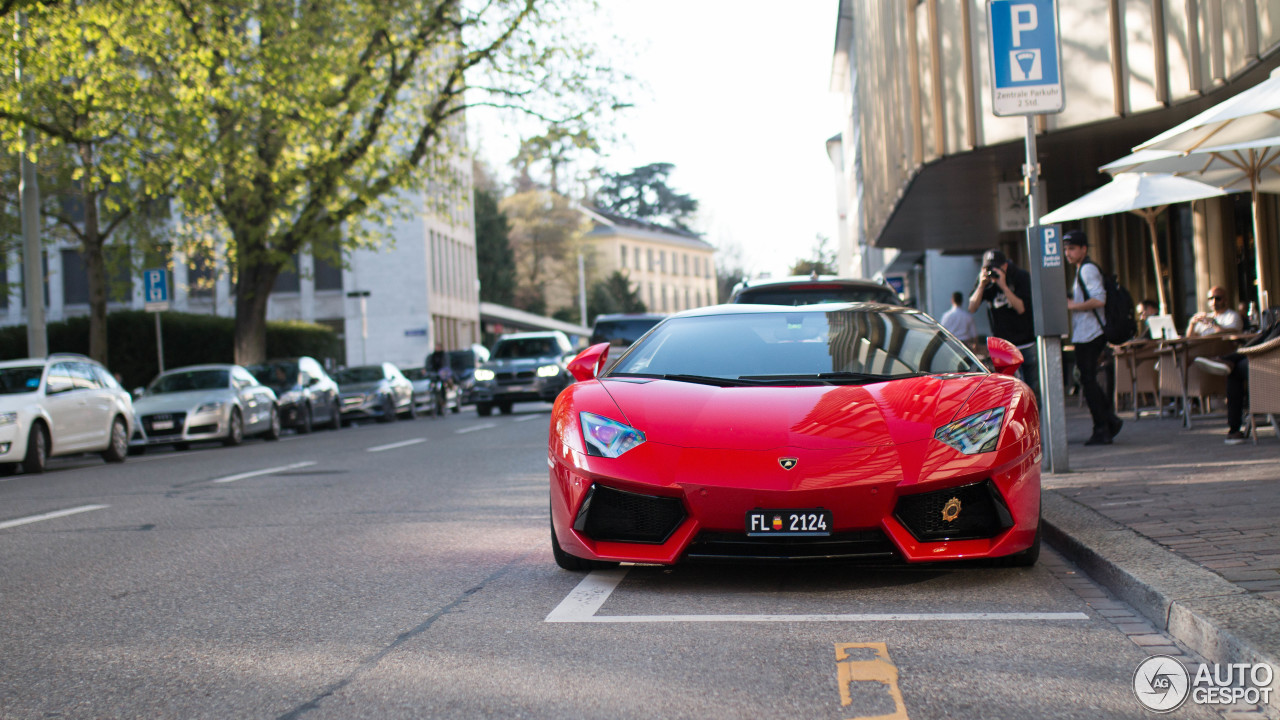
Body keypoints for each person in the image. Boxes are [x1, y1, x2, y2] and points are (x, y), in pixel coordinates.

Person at [1063, 230, 1123, 446]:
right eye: (1066, 249)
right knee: (1087, 380)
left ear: (1083, 249)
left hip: (1091, 333)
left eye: (1072, 248)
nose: (1067, 253)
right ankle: (1107, 421)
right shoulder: (1081, 269)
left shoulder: (1087, 269)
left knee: (1088, 381)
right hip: (1086, 333)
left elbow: (1099, 300)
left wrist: (1072, 306)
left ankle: (1104, 425)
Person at [1195, 316, 1280, 444]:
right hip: (1269, 362)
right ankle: (1228, 359)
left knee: (1235, 370)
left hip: (1270, 365)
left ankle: (1234, 430)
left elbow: (1267, 343)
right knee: (1269, 331)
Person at [968, 248, 1038, 400]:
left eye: (995, 267)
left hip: (1025, 342)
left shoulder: (1020, 277)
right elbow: (972, 307)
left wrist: (1004, 286)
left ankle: (1035, 423)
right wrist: (981, 285)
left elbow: (1021, 308)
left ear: (1005, 266)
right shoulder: (986, 282)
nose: (991, 271)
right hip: (1003, 346)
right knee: (1010, 393)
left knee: (1032, 391)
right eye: (987, 267)